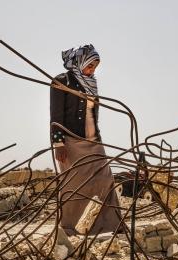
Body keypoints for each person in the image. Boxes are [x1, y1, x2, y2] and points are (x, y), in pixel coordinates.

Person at [50, 44, 121, 235]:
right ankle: (69, 227)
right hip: (71, 141)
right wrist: (58, 143)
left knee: (105, 179)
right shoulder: (61, 81)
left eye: (95, 67)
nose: (92, 70)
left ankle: (111, 225)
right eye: (90, 66)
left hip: (94, 141)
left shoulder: (92, 83)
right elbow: (55, 115)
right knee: (74, 184)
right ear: (81, 62)